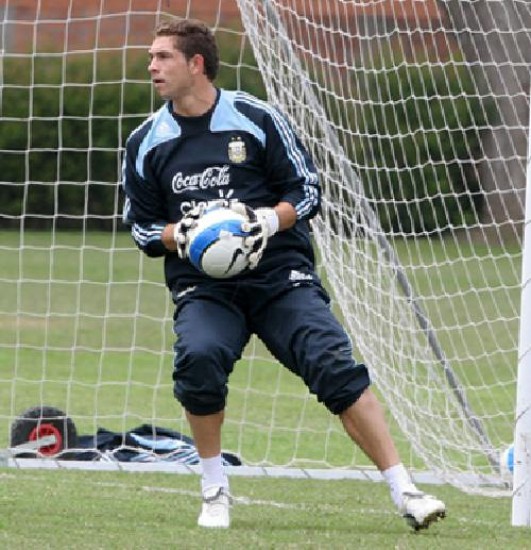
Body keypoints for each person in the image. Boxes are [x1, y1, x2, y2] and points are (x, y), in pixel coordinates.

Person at [121, 17, 446, 530]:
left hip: (278, 276)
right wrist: (179, 235)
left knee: (333, 364)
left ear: (196, 64)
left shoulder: (255, 118)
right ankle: (214, 490)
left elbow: (309, 190)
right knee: (198, 361)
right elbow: (140, 227)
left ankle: (405, 489)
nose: (152, 66)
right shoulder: (146, 142)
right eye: (151, 57)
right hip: (204, 287)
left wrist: (265, 221)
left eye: (163, 57)